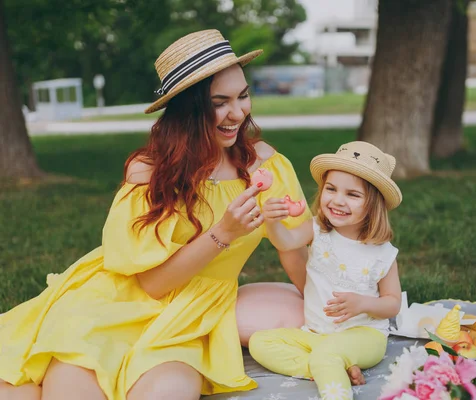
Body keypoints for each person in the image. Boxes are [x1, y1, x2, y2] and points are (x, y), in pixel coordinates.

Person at [0, 29, 311, 400]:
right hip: (119, 303)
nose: (238, 112)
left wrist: (328, 317)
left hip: (192, 315)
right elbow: (152, 285)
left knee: (169, 391)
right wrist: (223, 232)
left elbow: (292, 248)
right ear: (188, 109)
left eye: (243, 96)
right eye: (219, 102)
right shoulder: (149, 171)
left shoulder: (264, 164)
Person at [249, 141, 403, 400]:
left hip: (363, 336)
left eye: (353, 195)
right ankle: (330, 368)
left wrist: (362, 303)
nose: (338, 200)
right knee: (260, 343)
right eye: (331, 189)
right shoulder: (317, 231)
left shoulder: (382, 253)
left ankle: (334, 381)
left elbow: (392, 304)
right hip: (316, 335)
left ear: (373, 205)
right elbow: (284, 243)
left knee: (327, 354)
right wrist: (273, 222)